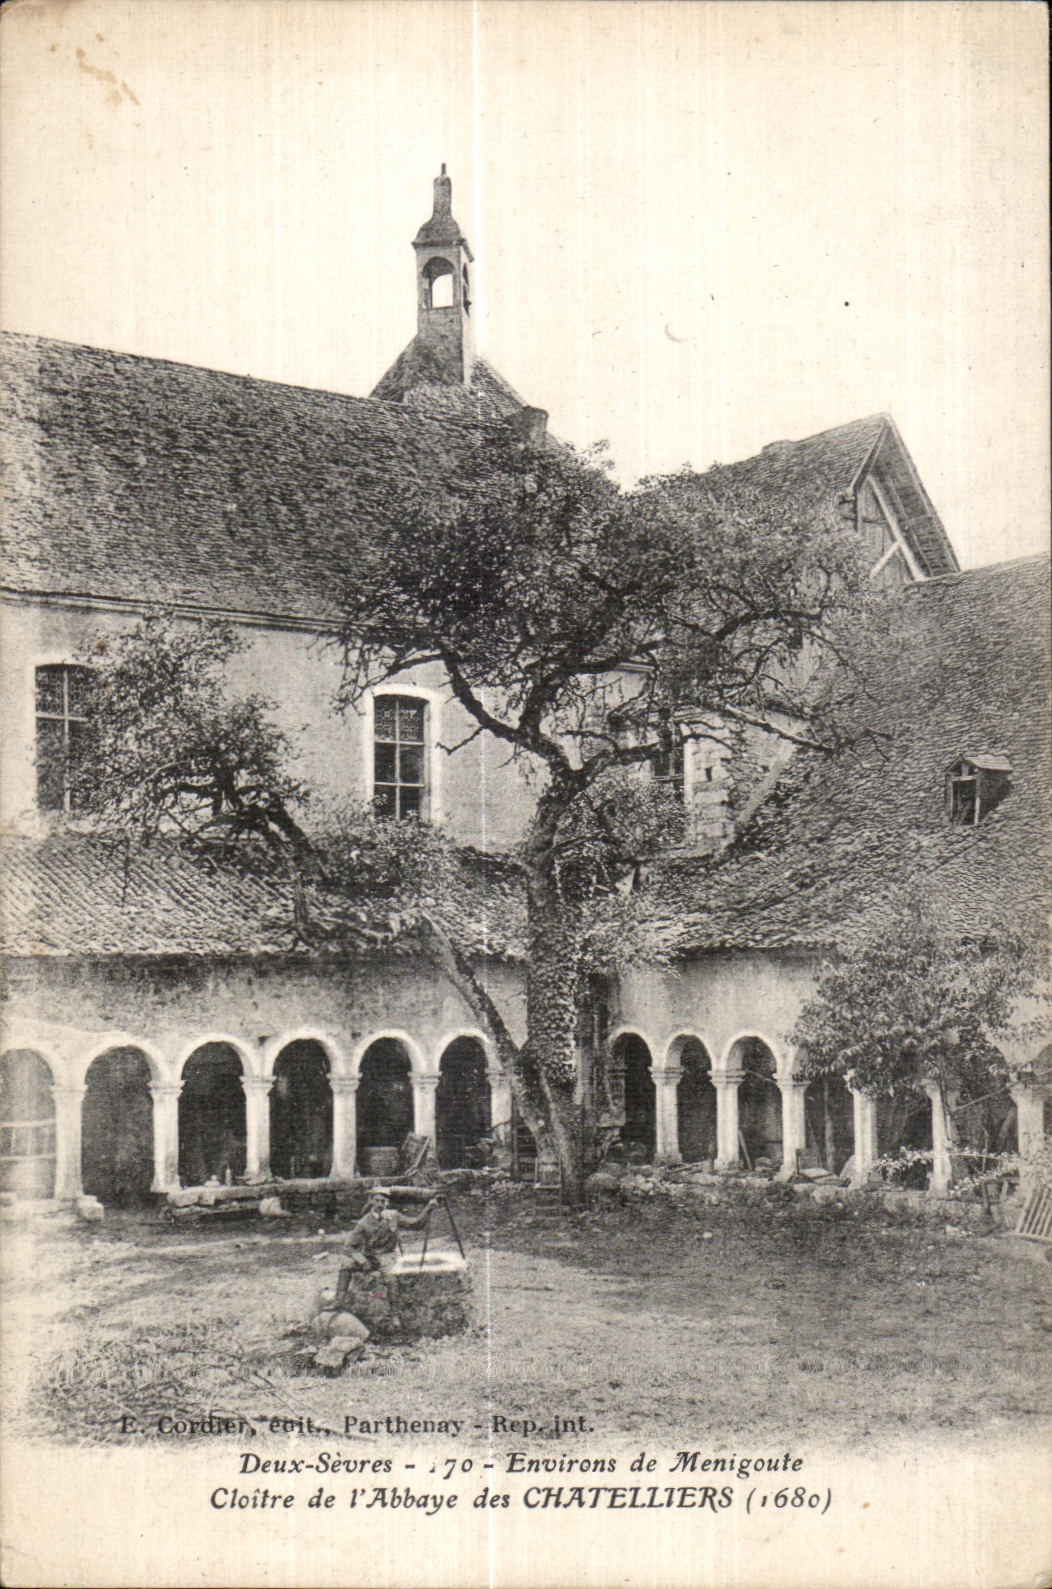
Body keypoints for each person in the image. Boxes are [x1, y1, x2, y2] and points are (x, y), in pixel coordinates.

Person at [335, 1189, 439, 1304]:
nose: (380, 1204)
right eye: (377, 1200)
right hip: (371, 1258)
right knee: (345, 1265)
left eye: (383, 1201)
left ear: (387, 1203)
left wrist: (428, 1209)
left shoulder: (393, 1216)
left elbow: (415, 1224)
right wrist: (362, 1261)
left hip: (389, 1256)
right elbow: (348, 1247)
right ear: (371, 1201)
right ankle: (338, 1301)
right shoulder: (363, 1222)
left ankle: (395, 1315)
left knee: (391, 1279)